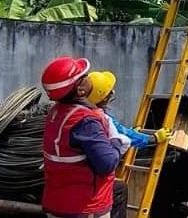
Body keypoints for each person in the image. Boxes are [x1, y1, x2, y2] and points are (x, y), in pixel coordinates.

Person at [41, 57, 126, 218]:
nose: (89, 77)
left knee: (120, 189)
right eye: (84, 76)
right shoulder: (85, 121)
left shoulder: (56, 113)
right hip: (84, 208)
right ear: (80, 90)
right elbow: (107, 164)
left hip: (56, 203)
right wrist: (116, 142)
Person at [86, 71, 172, 218]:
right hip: (93, 177)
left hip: (83, 173)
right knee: (120, 189)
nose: (112, 92)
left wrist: (133, 133)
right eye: (109, 91)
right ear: (104, 97)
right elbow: (123, 135)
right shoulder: (102, 118)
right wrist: (153, 138)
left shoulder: (81, 111)